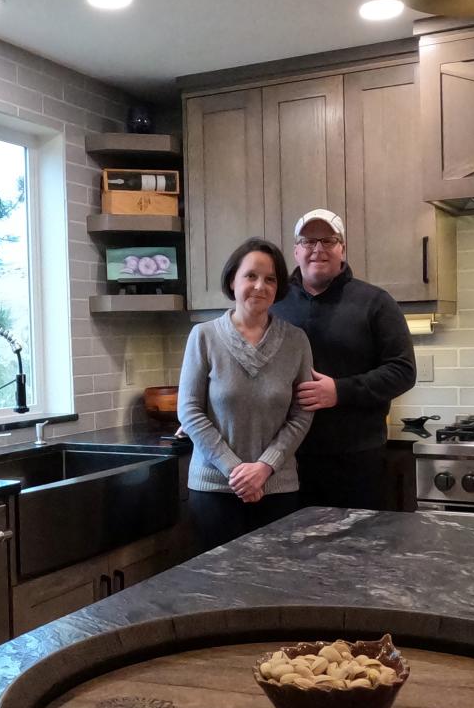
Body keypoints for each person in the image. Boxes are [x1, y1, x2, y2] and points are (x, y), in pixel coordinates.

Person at [272, 209, 417, 510]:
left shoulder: (376, 302)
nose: (318, 249)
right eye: (309, 241)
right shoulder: (274, 304)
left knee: (357, 552)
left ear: (343, 248)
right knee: (287, 552)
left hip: (356, 461)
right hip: (285, 461)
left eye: (328, 240)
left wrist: (339, 391)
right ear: (296, 250)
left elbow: (403, 371)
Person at [178, 237, 314, 551]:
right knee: (217, 590)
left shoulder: (296, 341)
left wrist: (265, 467)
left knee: (275, 587)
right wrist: (235, 471)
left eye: (270, 279)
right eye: (250, 276)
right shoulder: (204, 336)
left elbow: (302, 414)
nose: (260, 286)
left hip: (277, 489)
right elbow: (189, 411)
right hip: (213, 490)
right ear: (232, 280)